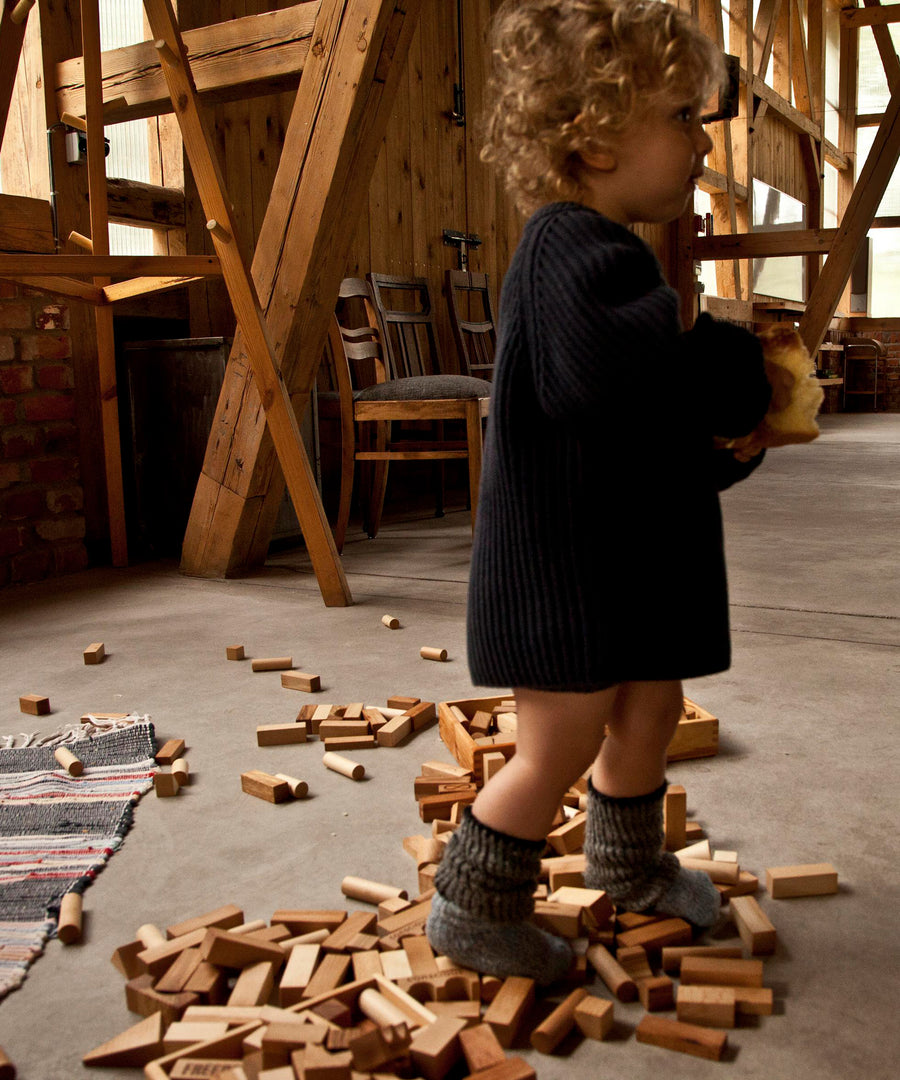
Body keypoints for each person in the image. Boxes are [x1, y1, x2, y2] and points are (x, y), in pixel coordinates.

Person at [425, 0, 772, 985]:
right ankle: (473, 903)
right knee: (562, 739)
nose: (702, 145)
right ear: (594, 135)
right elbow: (611, 381)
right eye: (681, 119)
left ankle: (630, 863)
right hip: (566, 572)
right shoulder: (570, 250)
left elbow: (642, 427)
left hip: (623, 565)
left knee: (651, 706)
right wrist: (719, 362)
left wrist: (720, 444)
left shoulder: (612, 254)